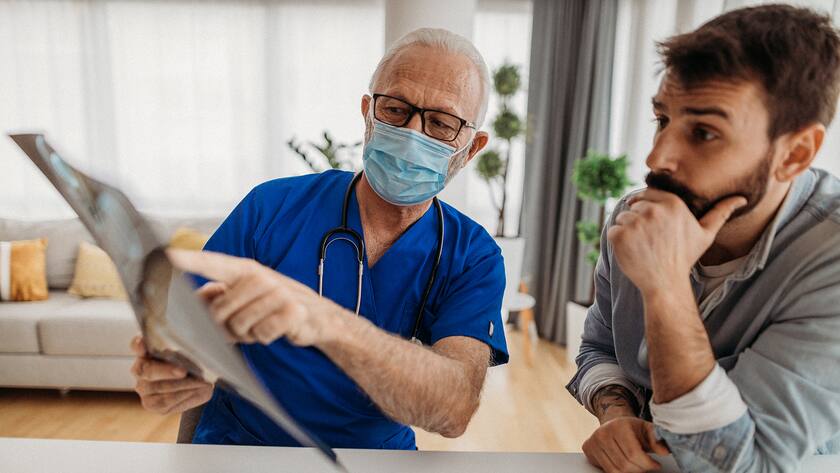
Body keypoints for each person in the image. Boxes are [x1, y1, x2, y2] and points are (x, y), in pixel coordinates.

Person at [129, 27, 509, 450]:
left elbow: (453, 409)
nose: (413, 134)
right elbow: (188, 332)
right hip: (241, 447)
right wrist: (174, 372)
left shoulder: (473, 255)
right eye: (396, 109)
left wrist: (323, 320)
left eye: (441, 122)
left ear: (470, 147)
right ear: (368, 111)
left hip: (371, 459)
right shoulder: (270, 209)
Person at [566, 5, 840, 472]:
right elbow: (601, 349)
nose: (656, 158)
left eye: (705, 132)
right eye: (662, 119)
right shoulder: (638, 215)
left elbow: (751, 465)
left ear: (794, 153)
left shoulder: (829, 259)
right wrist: (617, 414)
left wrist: (665, 285)